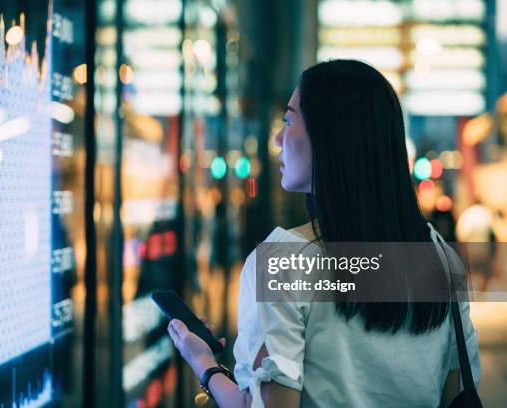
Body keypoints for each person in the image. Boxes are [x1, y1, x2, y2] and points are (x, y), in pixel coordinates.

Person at [167, 60, 480, 407]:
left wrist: (205, 364)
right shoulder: (440, 256)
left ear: (330, 135)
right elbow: (454, 392)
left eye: (288, 120)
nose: (277, 138)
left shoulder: (284, 262)